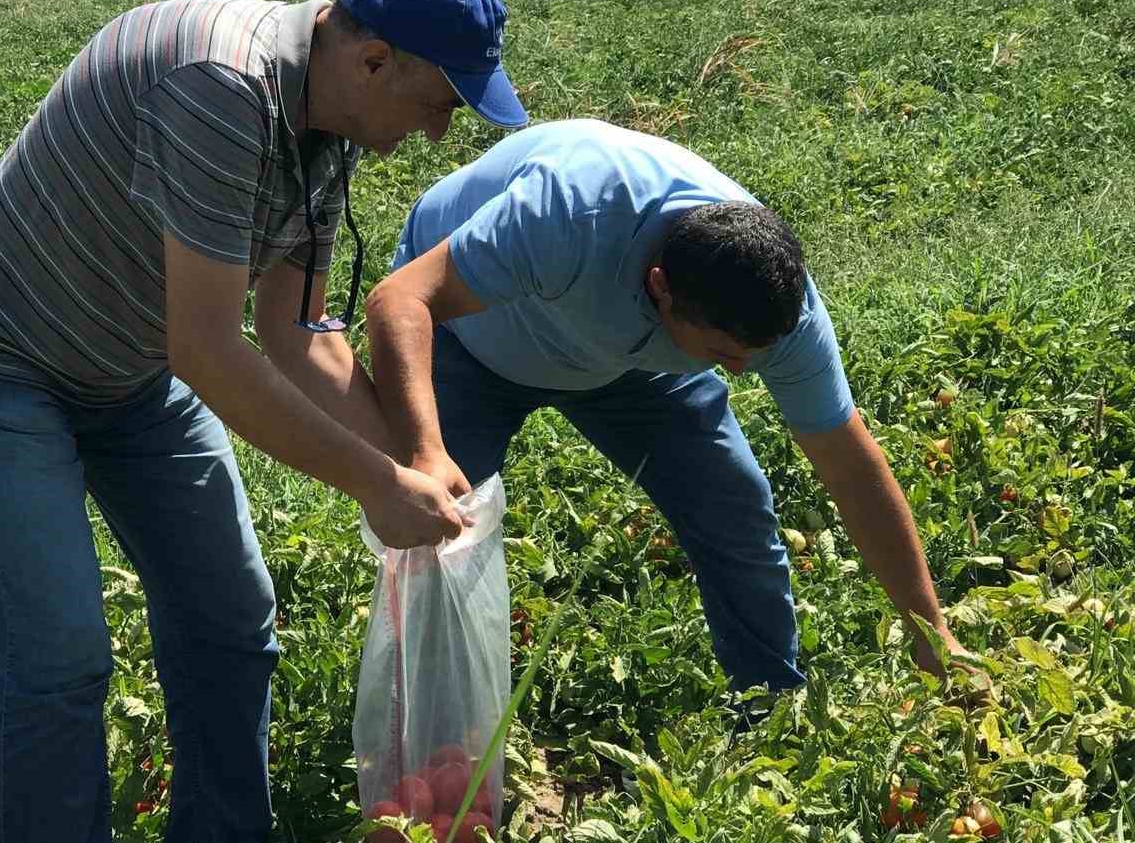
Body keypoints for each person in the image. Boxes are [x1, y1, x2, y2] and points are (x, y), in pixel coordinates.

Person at [0, 0, 528, 843]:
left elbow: (292, 335)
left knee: (231, 616)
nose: (432, 135)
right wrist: (376, 486)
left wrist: (417, 457)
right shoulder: (218, 88)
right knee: (59, 659)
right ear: (372, 59)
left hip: (126, 371)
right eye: (433, 105)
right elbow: (208, 350)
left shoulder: (323, 126)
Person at [365, 118, 968, 718]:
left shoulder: (777, 314)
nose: (738, 372)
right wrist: (424, 452)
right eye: (722, 355)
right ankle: (436, 730)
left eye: (752, 357)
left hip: (623, 361)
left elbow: (850, 467)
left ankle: (767, 707)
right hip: (470, 334)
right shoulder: (570, 216)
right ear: (661, 288)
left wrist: (929, 626)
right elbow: (400, 299)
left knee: (733, 504)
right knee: (437, 530)